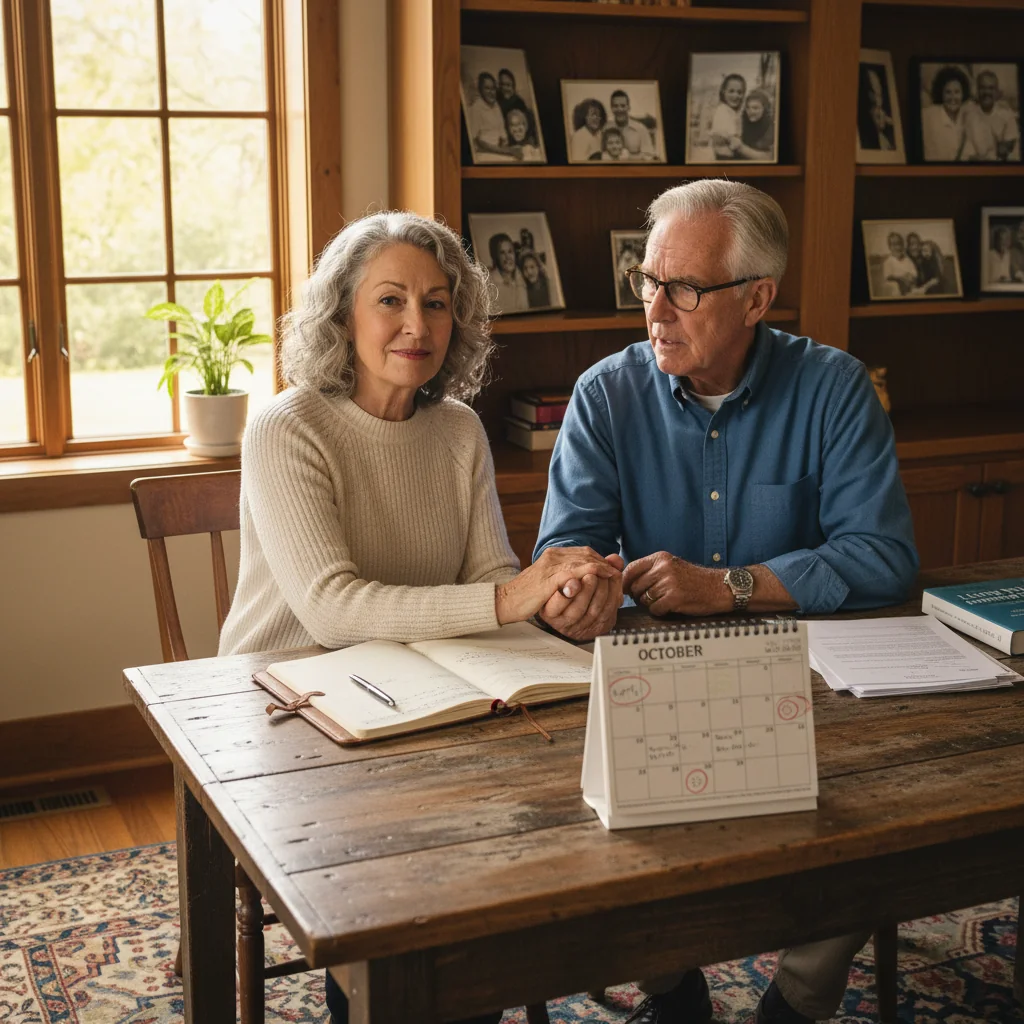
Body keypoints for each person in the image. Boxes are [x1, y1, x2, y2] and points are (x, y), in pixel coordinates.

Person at [532, 179, 918, 1024]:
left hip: (809, 681)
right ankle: (673, 989)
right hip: (652, 676)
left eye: (685, 288)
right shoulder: (606, 395)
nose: (656, 307)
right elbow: (559, 559)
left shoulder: (834, 389)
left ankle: (800, 1000)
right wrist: (574, 594)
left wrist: (732, 586)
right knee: (599, 807)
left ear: (757, 298)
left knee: (882, 811)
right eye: (647, 281)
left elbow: (885, 558)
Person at [218, 211, 619, 1023]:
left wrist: (560, 606)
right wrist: (514, 598)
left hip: (428, 691)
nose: (416, 324)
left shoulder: (459, 429)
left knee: (544, 822)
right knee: (388, 881)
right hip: (291, 702)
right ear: (342, 316)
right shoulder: (285, 426)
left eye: (437, 303)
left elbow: (489, 579)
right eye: (390, 300)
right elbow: (331, 607)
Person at [921, 65, 975, 161]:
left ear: (963, 94)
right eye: (948, 92)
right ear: (941, 94)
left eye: (957, 92)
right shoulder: (927, 116)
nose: (952, 97)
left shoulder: (969, 114)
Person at [964, 69, 1020, 162]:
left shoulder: (1007, 116)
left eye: (991, 88)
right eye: (982, 88)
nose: (987, 92)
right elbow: (968, 154)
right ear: (977, 90)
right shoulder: (970, 115)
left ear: (997, 91)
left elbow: (1009, 151)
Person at [467, 71, 510, 159]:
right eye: (487, 88)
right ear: (480, 90)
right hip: (484, 154)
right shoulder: (476, 108)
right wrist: (502, 151)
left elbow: (502, 134)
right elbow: (475, 140)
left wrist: (505, 148)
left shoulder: (496, 106)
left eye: (493, 88)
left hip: (499, 151)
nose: (491, 92)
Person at [496, 67, 540, 148]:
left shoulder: (519, 102)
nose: (504, 88)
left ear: (513, 86)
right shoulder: (495, 100)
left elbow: (527, 125)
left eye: (508, 85)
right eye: (502, 84)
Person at [609, 88, 657, 159]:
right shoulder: (606, 128)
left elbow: (649, 157)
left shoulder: (641, 129)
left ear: (629, 107)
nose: (619, 109)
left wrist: (630, 157)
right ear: (611, 108)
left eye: (623, 106)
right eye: (615, 106)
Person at [487, 232, 529, 313]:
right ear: (496, 257)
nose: (508, 257)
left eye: (510, 251)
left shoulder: (524, 276)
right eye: (502, 253)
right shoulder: (489, 284)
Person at [857, 65, 896, 151]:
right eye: (875, 92)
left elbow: (885, 121)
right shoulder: (869, 112)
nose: (878, 97)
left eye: (879, 93)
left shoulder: (879, 110)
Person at [709, 73, 746, 159]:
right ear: (723, 92)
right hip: (725, 157)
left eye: (739, 92)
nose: (735, 96)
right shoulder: (722, 111)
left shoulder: (733, 111)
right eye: (731, 91)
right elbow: (733, 142)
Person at [734, 87, 775, 159]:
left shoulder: (771, 129)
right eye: (748, 107)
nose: (751, 112)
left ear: (764, 109)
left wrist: (741, 148)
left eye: (755, 108)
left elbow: (769, 158)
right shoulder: (742, 123)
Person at [880, 232, 917, 296]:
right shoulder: (888, 262)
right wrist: (901, 278)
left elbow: (914, 274)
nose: (898, 247)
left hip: (909, 288)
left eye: (900, 244)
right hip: (897, 290)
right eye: (894, 245)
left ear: (903, 245)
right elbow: (888, 277)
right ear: (889, 247)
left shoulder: (908, 260)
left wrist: (911, 277)